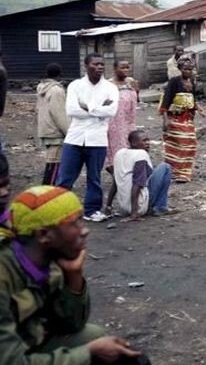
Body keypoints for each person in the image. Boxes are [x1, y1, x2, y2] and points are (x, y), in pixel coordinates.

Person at [0, 185, 146, 364]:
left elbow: (71, 325)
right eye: (74, 223)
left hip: (27, 341)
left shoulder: (48, 262)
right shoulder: (4, 274)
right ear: (44, 234)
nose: (85, 231)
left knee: (96, 337)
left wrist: (74, 276)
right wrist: (88, 353)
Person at [55, 53, 119, 222]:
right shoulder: (75, 86)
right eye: (95, 64)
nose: (100, 67)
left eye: (102, 64)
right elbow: (72, 111)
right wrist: (98, 110)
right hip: (74, 138)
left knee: (94, 178)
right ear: (86, 66)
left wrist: (87, 107)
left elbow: (111, 112)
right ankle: (60, 211)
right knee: (65, 178)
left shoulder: (110, 88)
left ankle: (91, 210)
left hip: (97, 140)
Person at [106, 130, 172, 220]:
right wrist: (134, 214)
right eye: (144, 140)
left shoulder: (119, 153)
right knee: (166, 167)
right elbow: (137, 184)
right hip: (139, 207)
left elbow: (115, 182)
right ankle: (160, 207)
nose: (148, 143)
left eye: (148, 140)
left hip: (124, 207)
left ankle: (156, 207)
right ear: (133, 143)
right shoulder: (141, 154)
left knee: (156, 170)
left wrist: (108, 206)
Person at [160, 58, 203, 183]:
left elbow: (192, 101)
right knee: (176, 145)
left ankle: (184, 173)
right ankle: (172, 172)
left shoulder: (192, 83)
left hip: (187, 119)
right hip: (175, 118)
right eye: (185, 69)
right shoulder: (174, 82)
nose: (188, 71)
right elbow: (166, 101)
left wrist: (198, 109)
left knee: (190, 144)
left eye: (190, 69)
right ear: (180, 69)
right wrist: (165, 120)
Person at [105, 60, 138, 187]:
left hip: (129, 122)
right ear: (115, 68)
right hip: (113, 124)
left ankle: (124, 176)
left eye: (127, 67)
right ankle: (116, 175)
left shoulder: (131, 83)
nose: (125, 70)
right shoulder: (108, 85)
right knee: (114, 150)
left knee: (129, 148)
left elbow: (136, 100)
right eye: (122, 67)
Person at [36, 63, 70, 185]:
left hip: (45, 129)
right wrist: (68, 132)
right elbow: (59, 114)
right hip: (55, 131)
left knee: (51, 162)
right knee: (54, 163)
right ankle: (48, 190)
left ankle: (47, 187)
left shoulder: (41, 87)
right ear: (60, 74)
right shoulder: (56, 90)